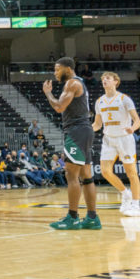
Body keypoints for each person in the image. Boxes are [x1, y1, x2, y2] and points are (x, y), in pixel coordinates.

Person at [43, 57, 100, 230]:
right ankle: (92, 218)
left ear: (68, 68)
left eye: (57, 69)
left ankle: (73, 217)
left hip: (76, 131)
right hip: (83, 130)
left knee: (71, 175)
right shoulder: (78, 83)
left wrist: (47, 93)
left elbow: (59, 107)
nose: (55, 73)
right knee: (86, 177)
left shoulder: (71, 84)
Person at [92, 71, 140, 217]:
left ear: (116, 81)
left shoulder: (124, 99)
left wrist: (132, 128)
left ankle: (136, 205)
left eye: (107, 78)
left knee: (131, 172)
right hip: (108, 139)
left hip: (124, 139)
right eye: (102, 79)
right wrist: (87, 130)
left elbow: (137, 120)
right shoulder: (99, 101)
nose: (104, 80)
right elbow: (97, 124)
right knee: (105, 171)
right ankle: (125, 193)